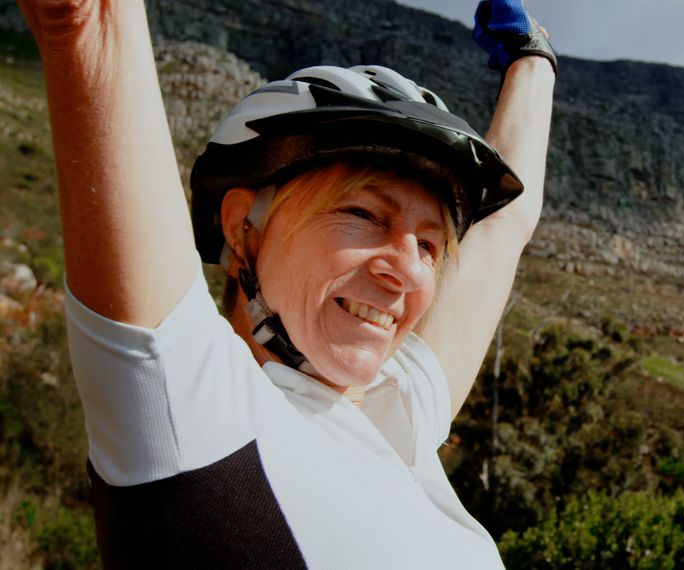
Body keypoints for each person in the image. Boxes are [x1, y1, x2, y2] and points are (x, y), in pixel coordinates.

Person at [17, 0, 555, 566]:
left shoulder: (397, 411)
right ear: (242, 230)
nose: (407, 269)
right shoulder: (190, 408)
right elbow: (85, 20)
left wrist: (532, 57)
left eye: (427, 244)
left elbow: (506, 222)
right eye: (365, 215)